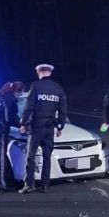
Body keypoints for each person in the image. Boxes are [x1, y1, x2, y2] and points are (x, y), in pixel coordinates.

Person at [19, 64, 67, 193]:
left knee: (30, 156)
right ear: (50, 73)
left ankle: (29, 184)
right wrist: (60, 126)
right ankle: (45, 185)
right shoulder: (58, 88)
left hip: (36, 127)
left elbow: (29, 106)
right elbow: (63, 110)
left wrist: (23, 123)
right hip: (50, 127)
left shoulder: (36, 86)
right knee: (47, 156)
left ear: (39, 72)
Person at [0, 81, 22, 194]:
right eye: (20, 93)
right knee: (0, 158)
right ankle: (3, 185)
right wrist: (21, 125)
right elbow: (9, 118)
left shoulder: (0, 95)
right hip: (0, 130)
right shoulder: (9, 99)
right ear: (16, 91)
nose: (20, 96)